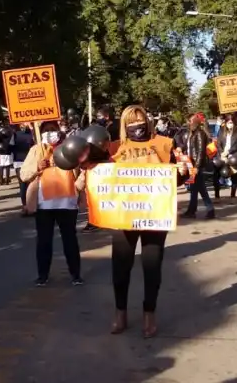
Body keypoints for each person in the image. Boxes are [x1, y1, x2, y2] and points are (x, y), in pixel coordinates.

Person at [77, 105, 179, 338]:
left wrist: (182, 171)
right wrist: (88, 170)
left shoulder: (165, 144)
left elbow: (176, 176)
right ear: (124, 125)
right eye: (131, 122)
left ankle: (149, 314)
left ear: (148, 121)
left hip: (154, 215)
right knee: (121, 267)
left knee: (152, 266)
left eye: (140, 120)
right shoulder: (114, 147)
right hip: (123, 215)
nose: (136, 126)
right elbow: (98, 174)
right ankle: (120, 312)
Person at [21, 121, 83, 287]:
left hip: (67, 202)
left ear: (59, 131)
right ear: (41, 133)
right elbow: (24, 174)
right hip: (44, 205)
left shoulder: (68, 147)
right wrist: (37, 167)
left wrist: (78, 185)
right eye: (46, 130)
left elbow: (81, 170)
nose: (50, 133)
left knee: (70, 240)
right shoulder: (36, 150)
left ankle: (76, 274)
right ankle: (43, 275)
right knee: (44, 241)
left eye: (53, 130)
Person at [180, 114, 215, 220]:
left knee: (198, 188)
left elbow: (201, 151)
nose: (188, 123)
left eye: (190, 121)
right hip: (191, 164)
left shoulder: (200, 133)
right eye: (187, 121)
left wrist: (197, 166)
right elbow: (188, 147)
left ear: (195, 121)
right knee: (196, 188)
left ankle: (205, 210)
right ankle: (195, 210)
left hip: (196, 165)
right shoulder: (190, 133)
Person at [215, 114, 237, 198]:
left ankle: (233, 194)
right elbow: (218, 143)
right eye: (228, 123)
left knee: (234, 175)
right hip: (222, 155)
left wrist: (228, 152)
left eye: (232, 123)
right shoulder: (221, 131)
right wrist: (222, 153)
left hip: (233, 155)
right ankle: (217, 194)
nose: (230, 124)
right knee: (216, 173)